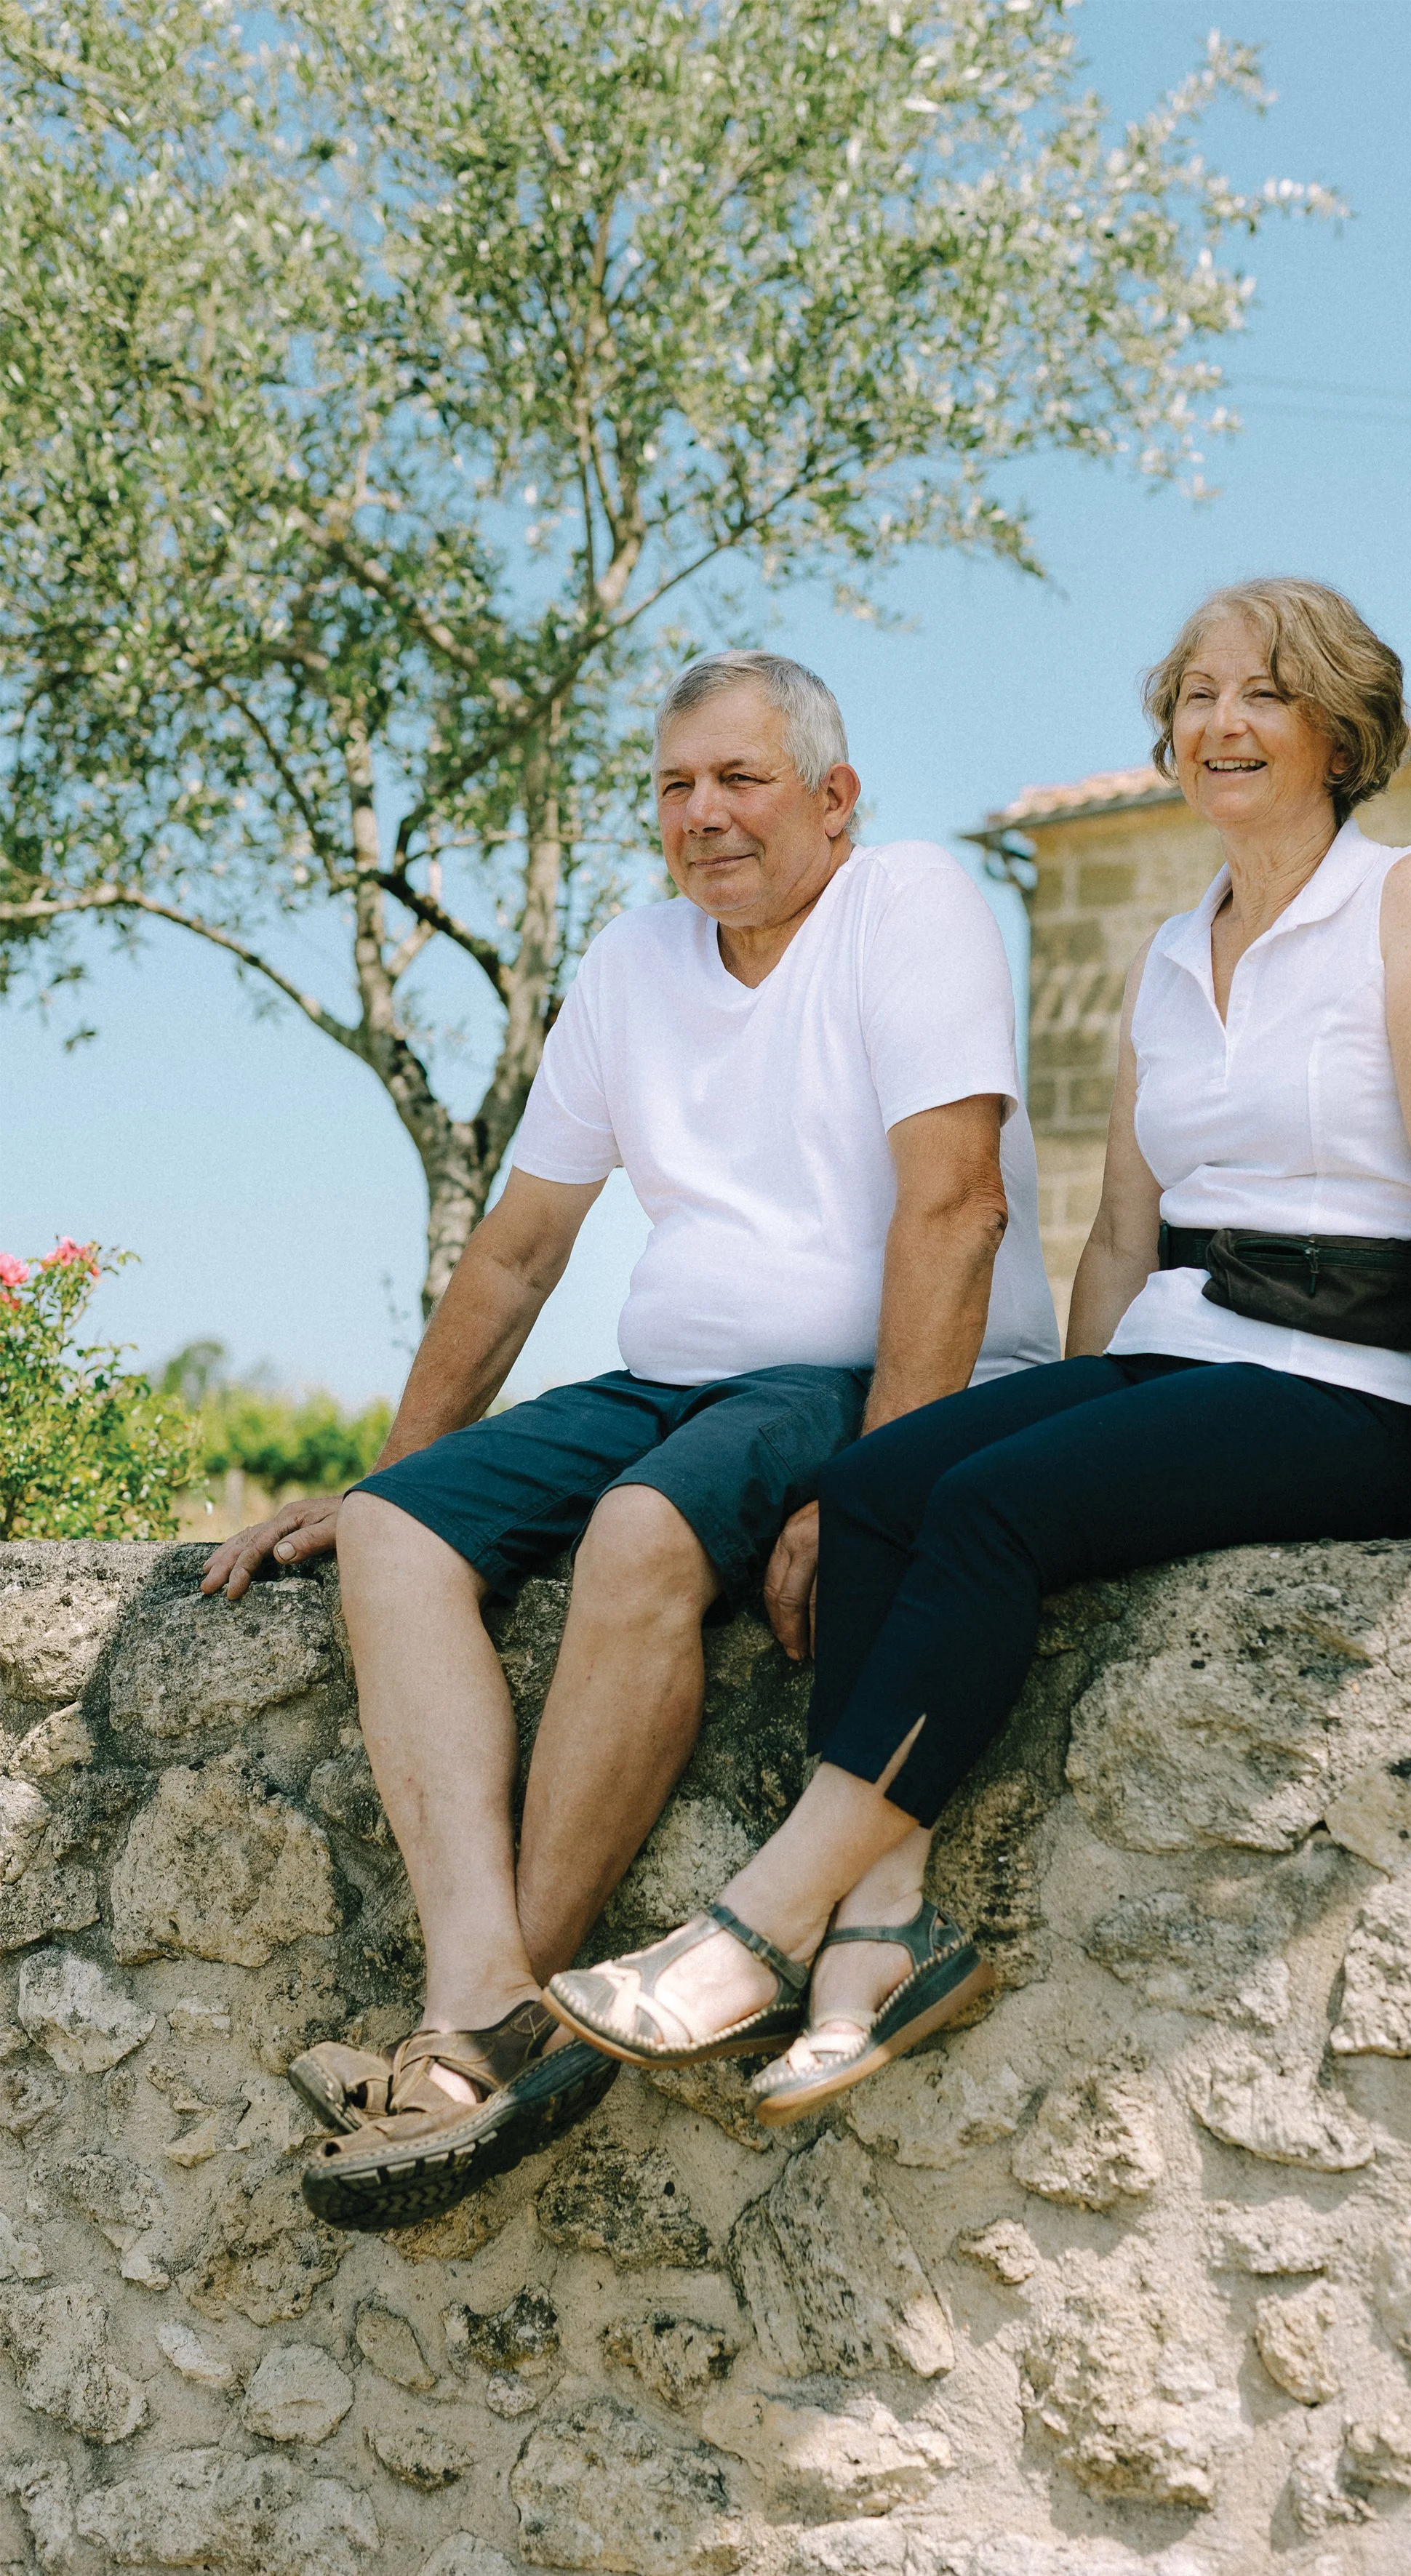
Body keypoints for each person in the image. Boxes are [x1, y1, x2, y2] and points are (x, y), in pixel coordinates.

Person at [548, 576, 1411, 2123]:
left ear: (1337, 732)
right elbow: (1124, 1230)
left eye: (1261, 692)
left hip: (1353, 1387)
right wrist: (1068, 1407)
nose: (1218, 722)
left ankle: (757, 1926)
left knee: (995, 1511)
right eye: (1194, 696)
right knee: (880, 1487)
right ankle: (880, 1935)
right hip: (1180, 1350)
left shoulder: (1410, 903)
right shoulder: (1167, 951)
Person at [199, 649, 1058, 2228]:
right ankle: (489, 1996)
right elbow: (519, 1250)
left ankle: (468, 2045)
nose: (702, 814)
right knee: (391, 1533)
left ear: (833, 797)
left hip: (859, 1367)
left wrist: (879, 1488)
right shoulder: (630, 962)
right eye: (673, 786)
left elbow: (956, 1208)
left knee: (642, 1530)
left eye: (739, 779)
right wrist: (391, 1468)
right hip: (673, 1378)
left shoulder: (909, 904)